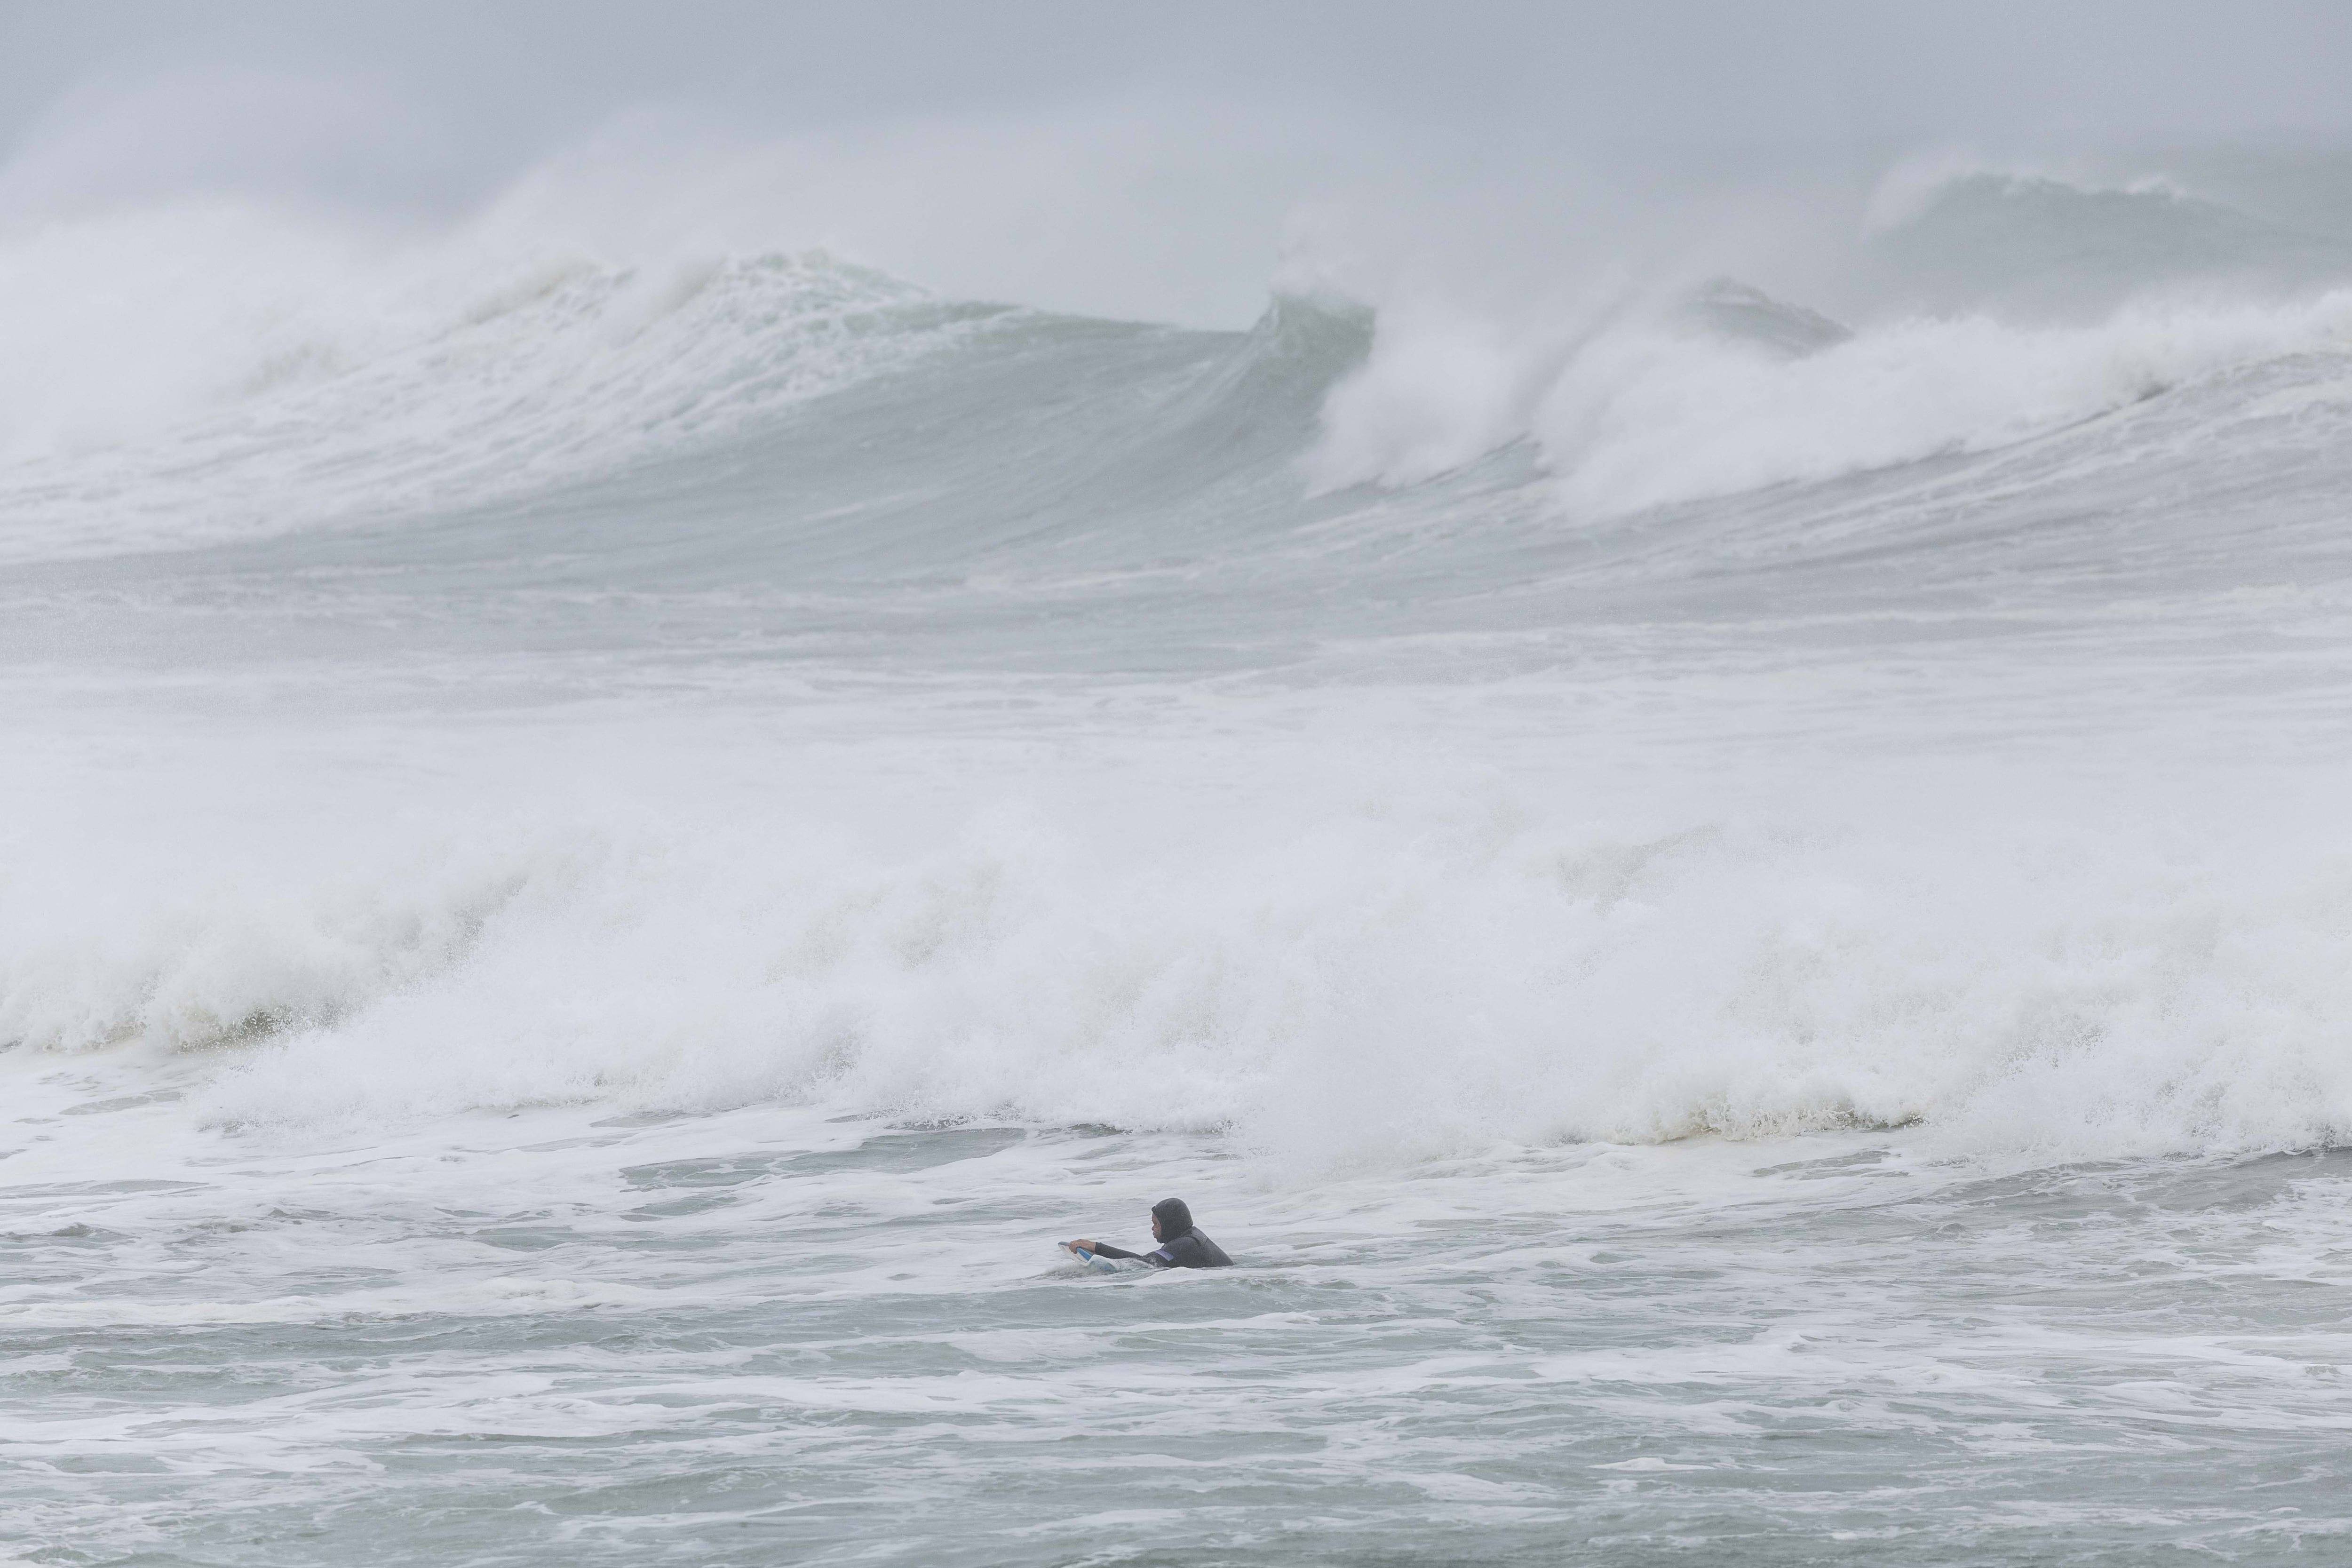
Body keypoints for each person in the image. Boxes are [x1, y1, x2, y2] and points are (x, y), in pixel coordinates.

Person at [1065, 1198, 1232, 1269]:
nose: (1153, 1229)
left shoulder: (1186, 1243)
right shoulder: (1190, 1236)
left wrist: (1098, 1248)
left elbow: (1144, 1264)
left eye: (1156, 1224)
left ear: (1170, 1225)